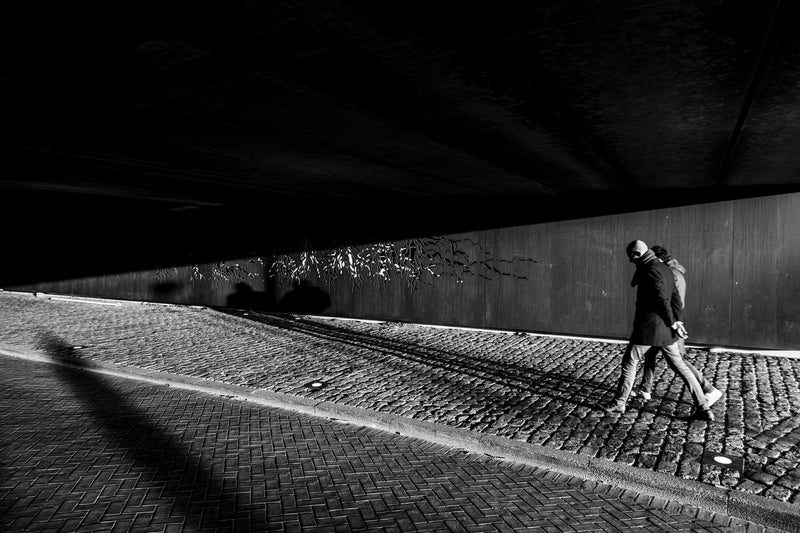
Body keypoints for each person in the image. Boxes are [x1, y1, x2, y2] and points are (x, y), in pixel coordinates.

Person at [602, 240, 716, 421]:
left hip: (650, 329)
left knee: (630, 363)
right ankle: (703, 407)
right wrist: (678, 321)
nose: (631, 261)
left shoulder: (650, 271)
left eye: (631, 257)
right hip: (666, 333)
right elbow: (675, 298)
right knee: (681, 367)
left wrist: (672, 322)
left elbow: (661, 300)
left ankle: (619, 402)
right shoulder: (665, 269)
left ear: (638, 254)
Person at [631, 246, 723, 407]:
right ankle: (645, 389)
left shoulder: (668, 273)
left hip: (667, 324)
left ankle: (708, 389)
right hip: (666, 322)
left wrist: (673, 323)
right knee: (652, 355)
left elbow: (668, 300)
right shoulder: (672, 272)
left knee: (678, 362)